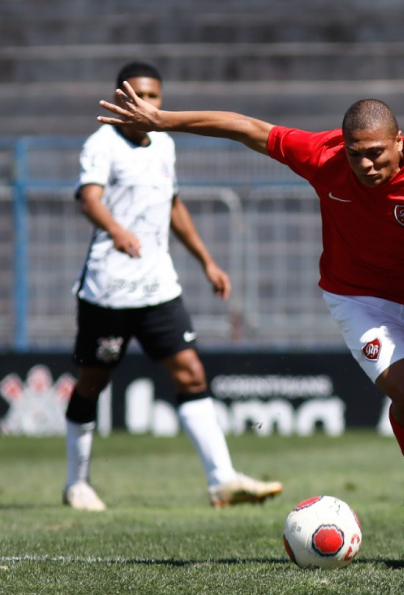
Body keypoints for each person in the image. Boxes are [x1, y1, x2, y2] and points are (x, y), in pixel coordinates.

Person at [97, 82, 404, 560]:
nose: (366, 165)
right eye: (357, 155)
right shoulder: (323, 156)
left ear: (401, 142)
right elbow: (246, 128)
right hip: (356, 298)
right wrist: (163, 120)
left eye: (377, 153)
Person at [63, 61, 283, 511]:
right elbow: (89, 198)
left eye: (154, 96)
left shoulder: (164, 144)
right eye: (136, 93)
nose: (146, 102)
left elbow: (173, 205)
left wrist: (207, 261)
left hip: (159, 286)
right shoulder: (102, 144)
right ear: (120, 97)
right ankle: (76, 483)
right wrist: (117, 230)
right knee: (92, 381)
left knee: (191, 373)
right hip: (109, 289)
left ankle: (222, 481)